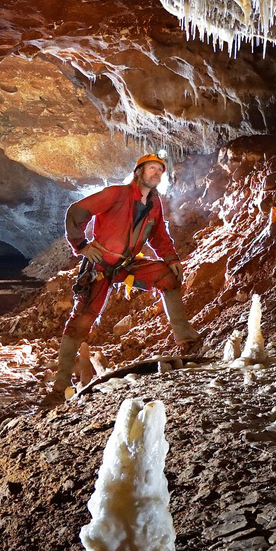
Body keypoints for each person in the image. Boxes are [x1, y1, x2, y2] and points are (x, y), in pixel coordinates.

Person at [44, 153, 199, 403]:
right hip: (99, 265)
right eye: (151, 168)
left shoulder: (154, 205)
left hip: (126, 265)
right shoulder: (116, 194)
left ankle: (187, 340)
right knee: (81, 322)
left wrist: (171, 259)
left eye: (160, 170)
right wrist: (81, 245)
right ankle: (60, 386)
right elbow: (76, 211)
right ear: (138, 172)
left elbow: (159, 236)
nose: (156, 173)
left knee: (167, 278)